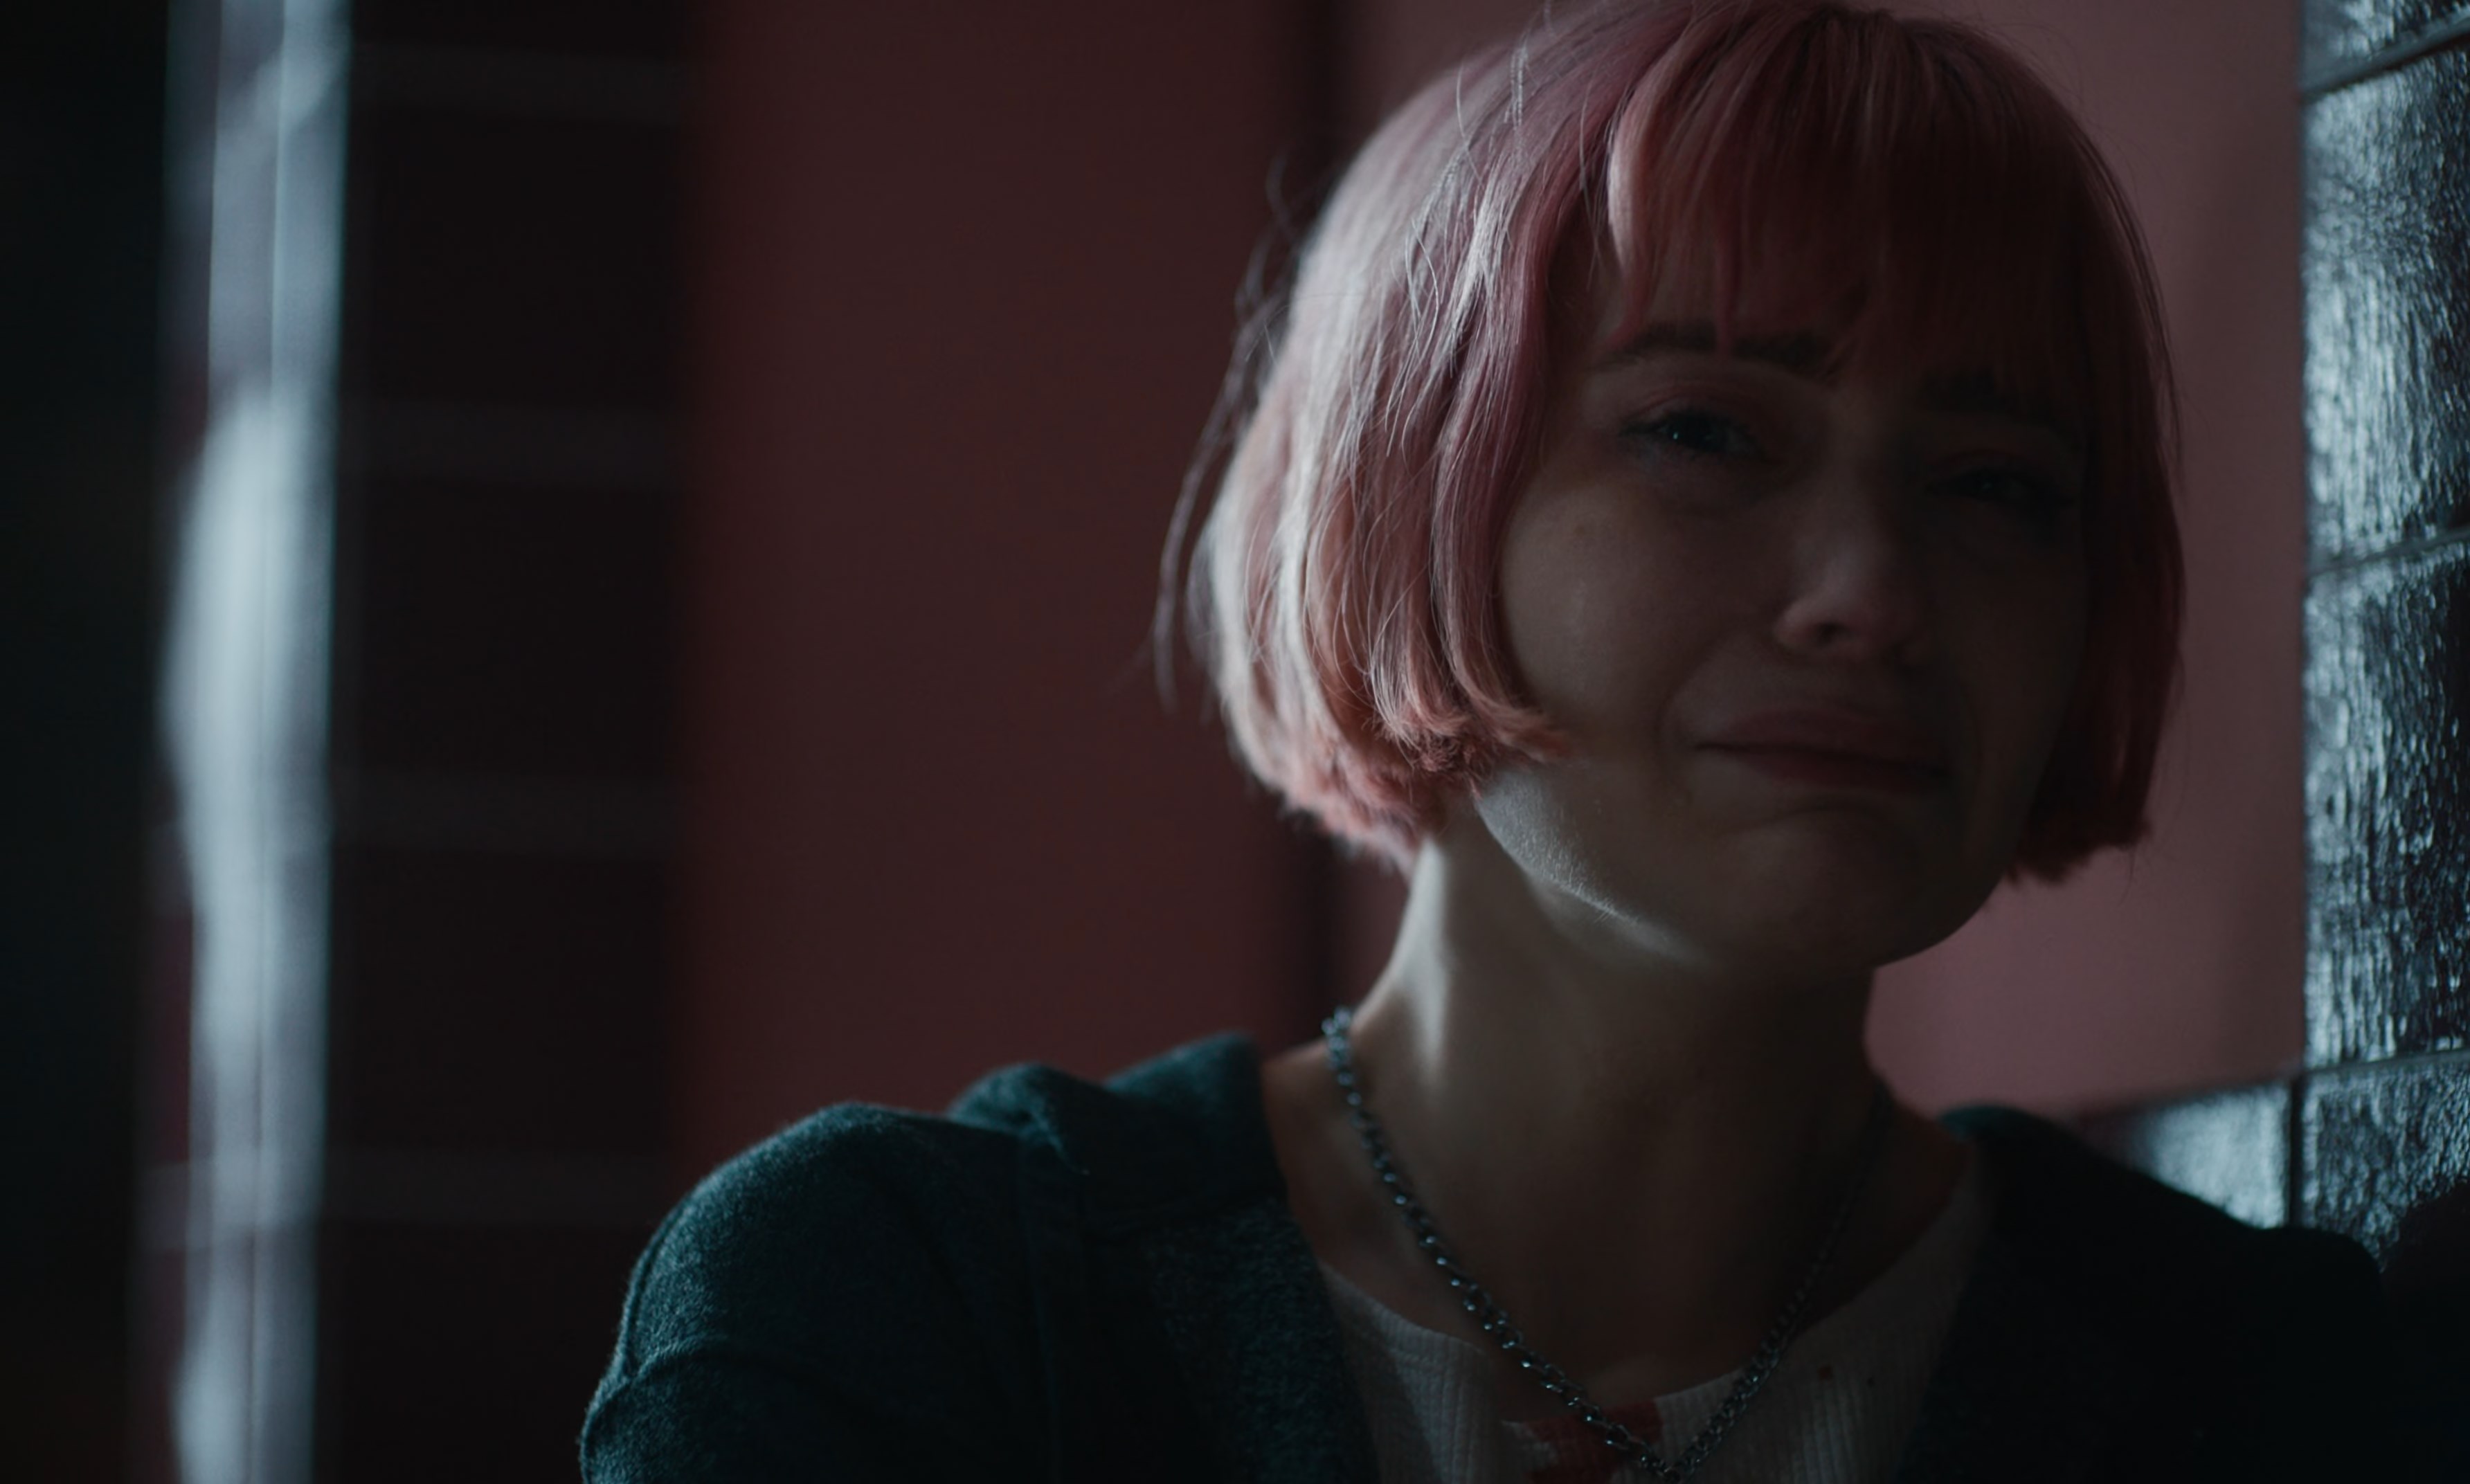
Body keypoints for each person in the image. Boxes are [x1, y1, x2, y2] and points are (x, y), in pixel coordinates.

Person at [580, 2, 2408, 1480]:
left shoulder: (2256, 1380)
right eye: (1705, 432)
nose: (1873, 589)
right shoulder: (902, 1303)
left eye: (1998, 485)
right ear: (1405, 492)